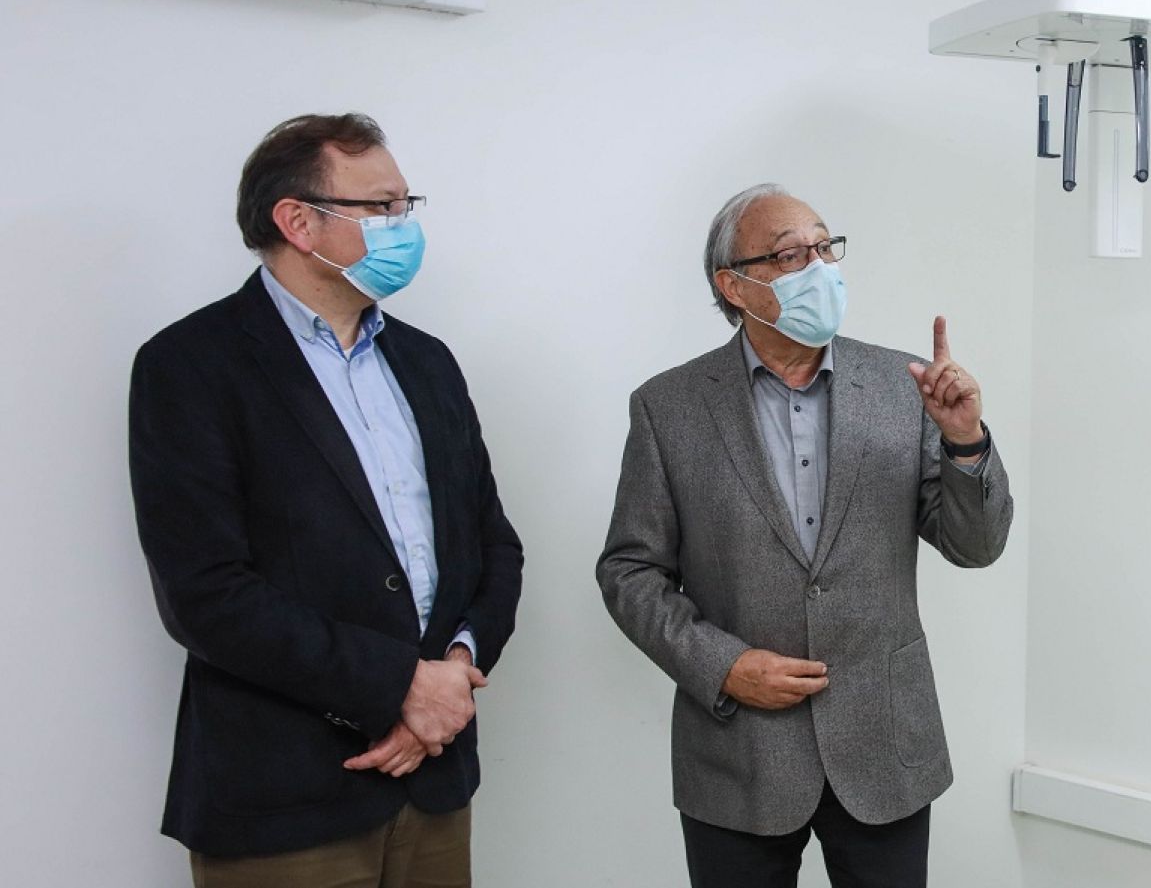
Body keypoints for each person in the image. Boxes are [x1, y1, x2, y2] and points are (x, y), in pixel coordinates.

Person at [128, 113, 524, 887]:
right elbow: (204, 593)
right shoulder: (190, 365)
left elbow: (491, 542)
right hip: (285, 796)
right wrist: (399, 685)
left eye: (407, 204)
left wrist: (453, 672)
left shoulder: (429, 362)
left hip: (436, 779)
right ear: (298, 221)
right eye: (381, 206)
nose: (403, 225)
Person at [597, 183, 1014, 888]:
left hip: (883, 743)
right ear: (734, 286)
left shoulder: (903, 386)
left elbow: (977, 546)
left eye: (826, 247)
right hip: (738, 756)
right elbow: (629, 571)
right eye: (792, 255)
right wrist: (723, 666)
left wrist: (965, 441)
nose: (820, 267)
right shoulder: (669, 408)